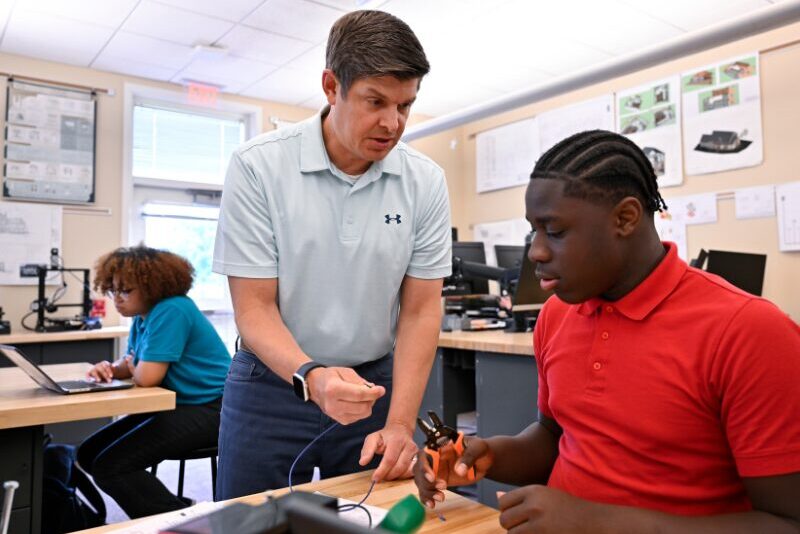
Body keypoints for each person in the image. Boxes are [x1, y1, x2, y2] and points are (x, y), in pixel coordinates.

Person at [414, 130, 800, 532]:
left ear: (626, 218)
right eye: (534, 231)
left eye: (556, 231)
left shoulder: (750, 332)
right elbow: (555, 436)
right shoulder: (558, 315)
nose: (535, 252)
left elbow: (787, 523)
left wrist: (598, 522)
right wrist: (490, 454)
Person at [212, 9, 450, 500]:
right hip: (272, 384)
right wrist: (312, 377)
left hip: (375, 384)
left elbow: (423, 309)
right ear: (330, 86)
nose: (392, 123)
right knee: (251, 521)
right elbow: (253, 307)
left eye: (405, 105)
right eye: (375, 101)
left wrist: (402, 423)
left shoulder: (424, 180)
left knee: (377, 516)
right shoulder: (259, 166)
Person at [77, 245, 231, 519]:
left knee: (111, 467)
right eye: (114, 290)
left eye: (126, 290)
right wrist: (108, 368)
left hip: (215, 409)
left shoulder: (173, 309)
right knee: (88, 454)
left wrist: (134, 365)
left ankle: (182, 521)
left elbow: (147, 377)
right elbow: (131, 364)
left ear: (152, 286)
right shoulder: (142, 317)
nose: (117, 299)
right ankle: (180, 509)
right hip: (180, 405)